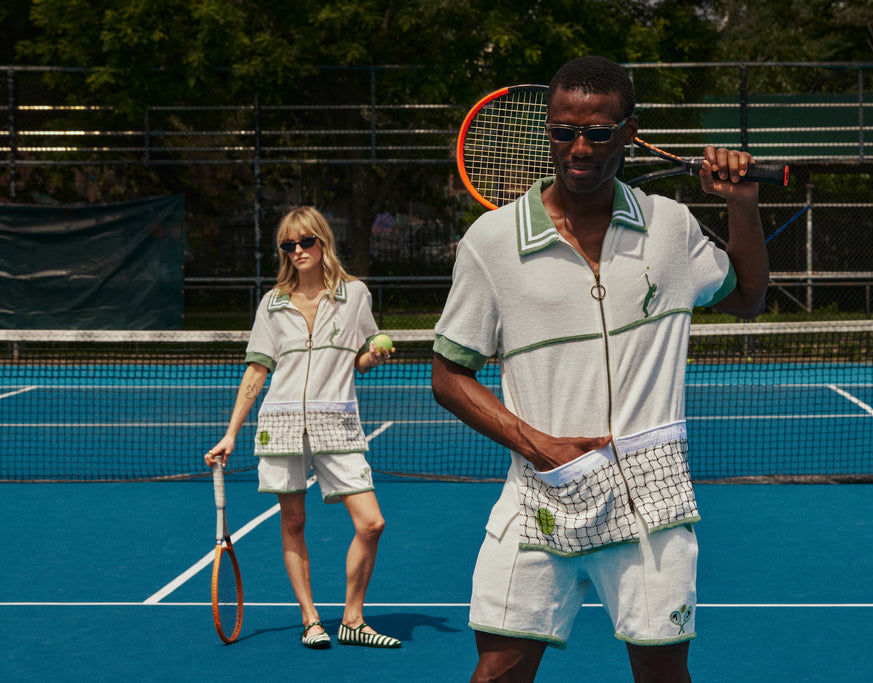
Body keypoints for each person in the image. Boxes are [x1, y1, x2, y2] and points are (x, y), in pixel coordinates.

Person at [431, 56, 769, 682]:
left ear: (629, 131)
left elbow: (747, 298)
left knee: (663, 675)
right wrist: (539, 445)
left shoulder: (670, 227)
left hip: (653, 498)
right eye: (563, 131)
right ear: (549, 132)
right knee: (498, 671)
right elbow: (448, 375)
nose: (579, 147)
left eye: (598, 132)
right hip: (540, 492)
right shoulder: (491, 241)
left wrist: (743, 205)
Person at [206, 206, 401, 650]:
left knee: (371, 523)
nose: (297, 251)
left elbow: (362, 354)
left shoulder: (355, 295)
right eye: (288, 245)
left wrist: (374, 356)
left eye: (305, 242)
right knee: (293, 520)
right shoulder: (272, 304)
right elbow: (257, 370)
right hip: (281, 423)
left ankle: (353, 619)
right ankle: (311, 618)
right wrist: (231, 432)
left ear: (323, 242)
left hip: (337, 422)